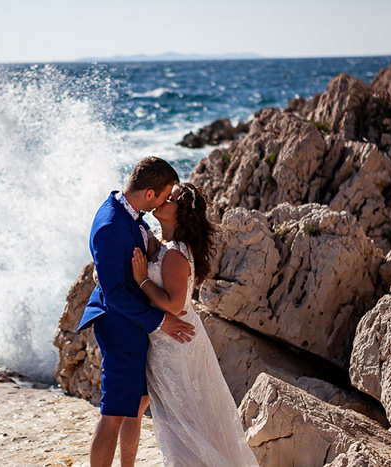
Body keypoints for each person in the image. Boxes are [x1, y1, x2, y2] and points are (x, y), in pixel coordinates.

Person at [77, 156, 196, 467]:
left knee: (138, 402)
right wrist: (161, 321)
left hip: (135, 325)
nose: (168, 199)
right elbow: (115, 293)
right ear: (149, 195)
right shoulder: (111, 225)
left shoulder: (130, 212)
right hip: (120, 327)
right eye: (167, 194)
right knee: (114, 411)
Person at [131, 182, 259, 466]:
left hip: (177, 344)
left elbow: (174, 304)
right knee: (179, 418)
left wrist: (142, 279)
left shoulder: (175, 253)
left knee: (183, 421)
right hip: (169, 339)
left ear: (182, 213)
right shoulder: (163, 245)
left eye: (172, 199)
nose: (164, 199)